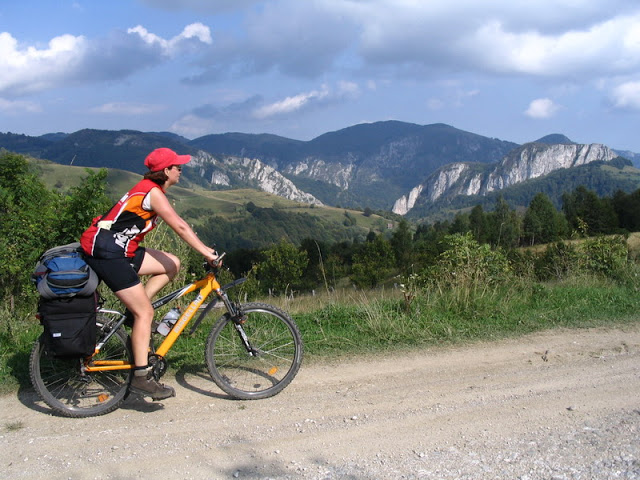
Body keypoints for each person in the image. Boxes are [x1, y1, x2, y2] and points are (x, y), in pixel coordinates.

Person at [80, 147, 219, 400]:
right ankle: (141, 377)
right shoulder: (153, 193)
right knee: (146, 311)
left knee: (172, 264)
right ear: (165, 171)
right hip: (108, 253)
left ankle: (135, 317)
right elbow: (179, 225)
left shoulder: (147, 187)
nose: (181, 170)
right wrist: (207, 253)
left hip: (121, 248)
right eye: (177, 167)